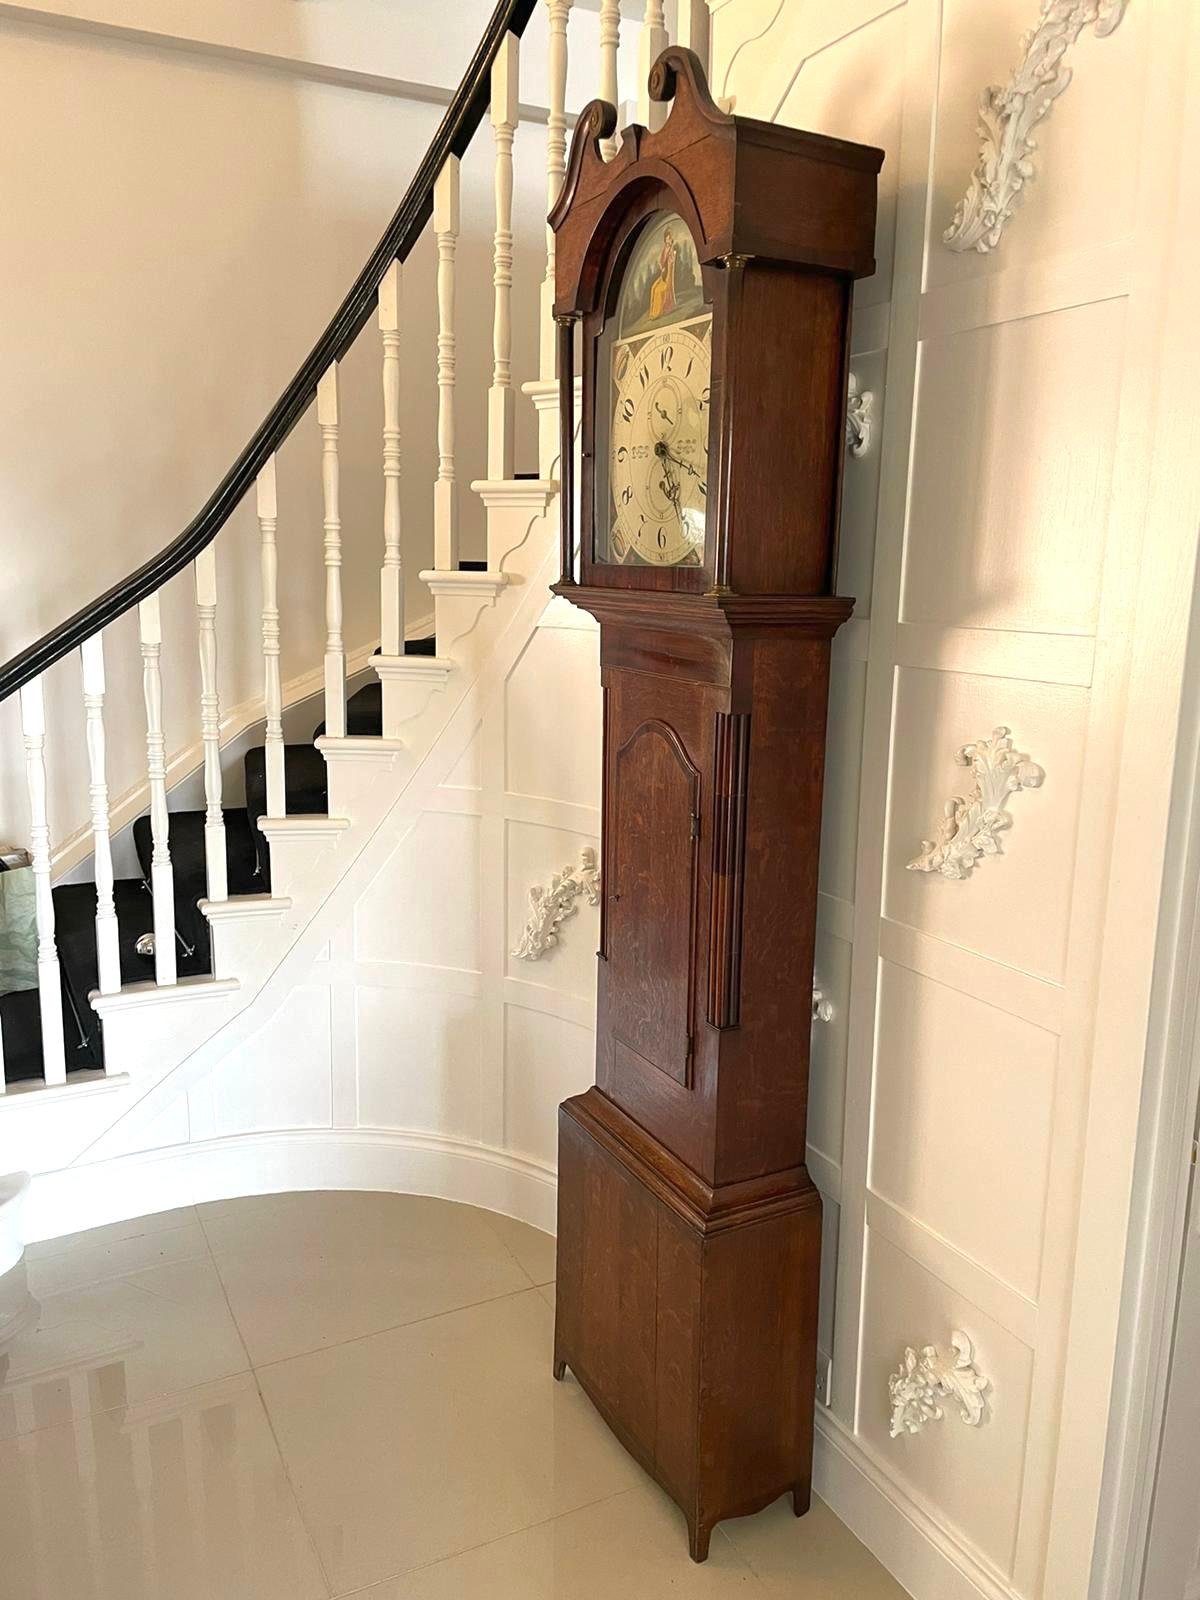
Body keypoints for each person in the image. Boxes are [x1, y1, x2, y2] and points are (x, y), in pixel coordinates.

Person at [648, 228, 677, 320]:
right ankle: (652, 312)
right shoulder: (665, 249)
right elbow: (661, 261)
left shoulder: (671, 250)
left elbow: (671, 261)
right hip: (663, 274)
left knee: (658, 291)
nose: (668, 240)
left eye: (669, 239)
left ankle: (657, 313)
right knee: (653, 288)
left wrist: (670, 260)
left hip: (668, 275)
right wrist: (661, 266)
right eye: (667, 239)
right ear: (665, 240)